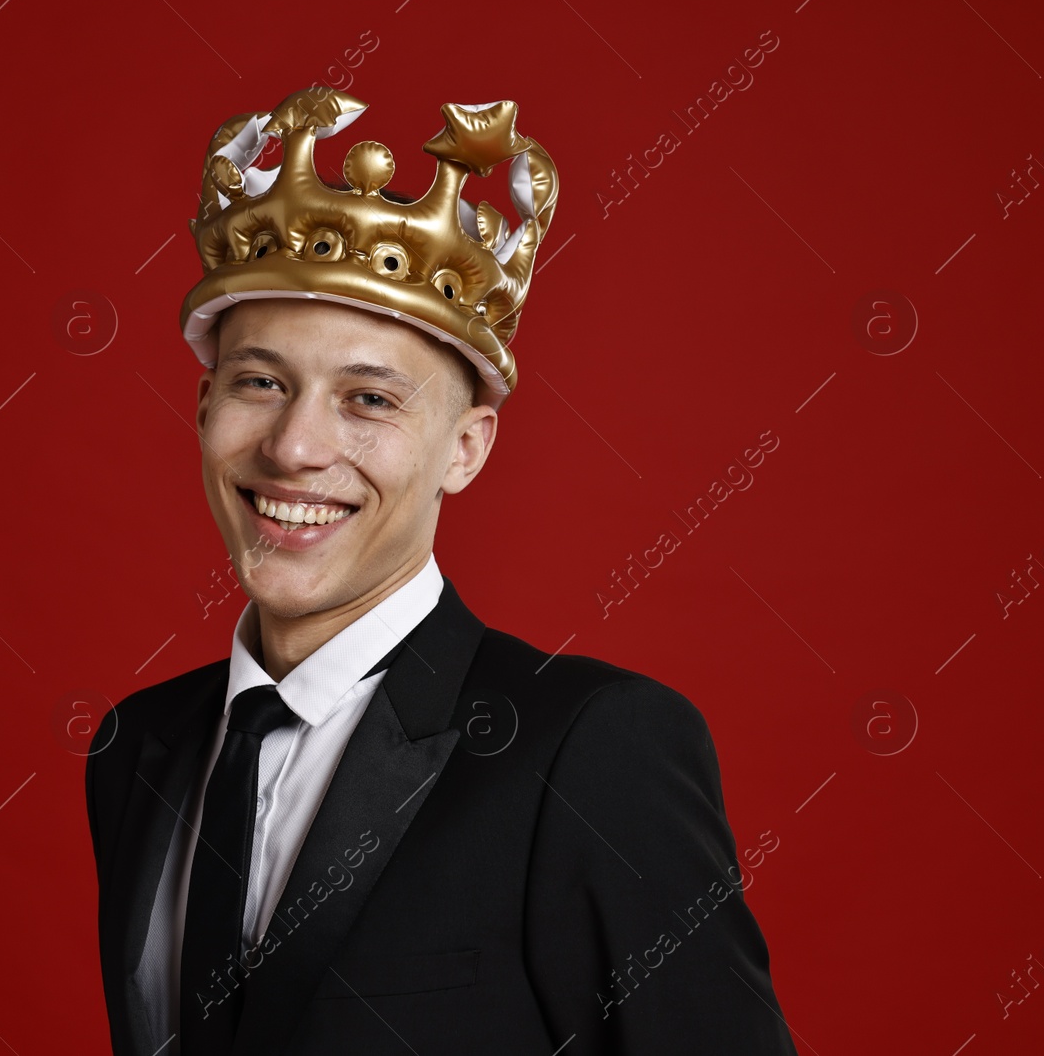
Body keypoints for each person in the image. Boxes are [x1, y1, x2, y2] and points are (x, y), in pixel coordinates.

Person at [85, 86, 798, 1055]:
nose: (295, 447)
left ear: (464, 449)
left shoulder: (593, 750)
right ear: (206, 406)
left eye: (368, 398)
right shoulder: (140, 744)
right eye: (261, 382)